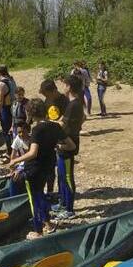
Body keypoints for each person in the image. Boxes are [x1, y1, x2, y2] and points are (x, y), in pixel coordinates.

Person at [8, 98, 76, 240]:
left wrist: (15, 160)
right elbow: (71, 146)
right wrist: (57, 146)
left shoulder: (37, 129)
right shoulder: (55, 126)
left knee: (35, 199)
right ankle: (49, 224)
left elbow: (33, 153)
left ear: (31, 114)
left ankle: (38, 231)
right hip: (49, 166)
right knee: (40, 195)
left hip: (34, 169)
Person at [54, 74, 85, 217]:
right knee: (61, 176)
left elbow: (62, 123)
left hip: (68, 144)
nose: (63, 88)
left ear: (69, 87)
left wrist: (47, 124)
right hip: (64, 142)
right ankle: (63, 203)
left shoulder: (74, 104)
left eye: (65, 85)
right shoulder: (74, 103)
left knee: (67, 176)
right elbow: (82, 118)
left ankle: (69, 209)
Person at [39, 78, 68, 194]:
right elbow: (46, 116)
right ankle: (50, 192)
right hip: (49, 138)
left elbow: (65, 121)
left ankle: (62, 194)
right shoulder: (47, 100)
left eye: (47, 94)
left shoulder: (64, 101)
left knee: (62, 171)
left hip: (61, 139)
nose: (46, 96)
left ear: (53, 91)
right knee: (49, 168)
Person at [0, 65, 16, 161]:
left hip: (6, 109)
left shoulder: (1, 84)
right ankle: (14, 149)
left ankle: (9, 152)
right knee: (13, 129)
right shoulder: (11, 80)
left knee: (6, 131)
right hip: (14, 107)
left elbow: (0, 101)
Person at [7, 122, 31, 196]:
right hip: (22, 165)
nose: (21, 134)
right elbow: (13, 156)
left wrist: (19, 170)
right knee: (13, 177)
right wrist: (12, 169)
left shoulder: (32, 141)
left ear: (28, 131)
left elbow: (31, 159)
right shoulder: (18, 139)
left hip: (31, 165)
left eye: (23, 132)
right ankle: (14, 197)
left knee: (17, 178)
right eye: (19, 132)